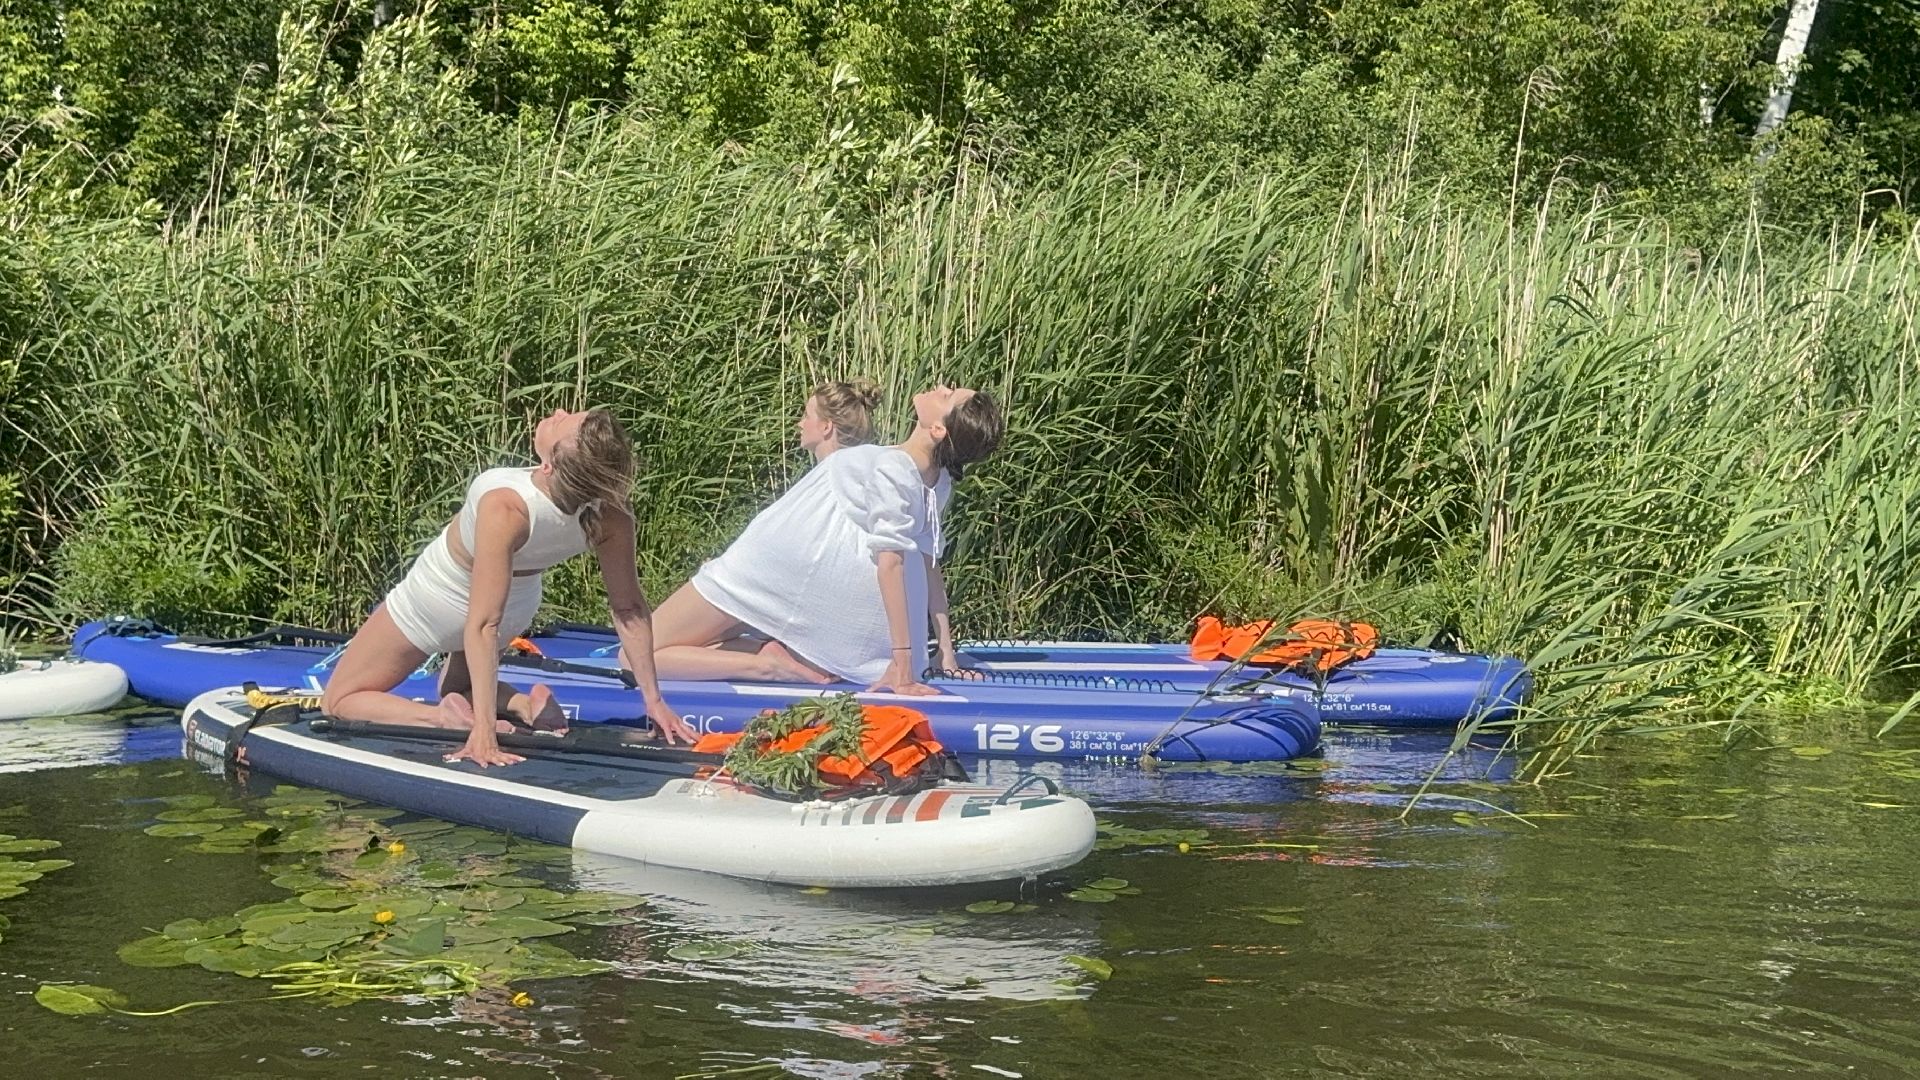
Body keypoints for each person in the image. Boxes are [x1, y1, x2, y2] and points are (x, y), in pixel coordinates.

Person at [321, 407, 693, 767]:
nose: (559, 412)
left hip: (440, 598)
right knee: (455, 692)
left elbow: (483, 624)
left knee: (339, 699)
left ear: (549, 465)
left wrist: (484, 733)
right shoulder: (610, 512)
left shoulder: (508, 507)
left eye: (562, 423)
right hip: (517, 604)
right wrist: (654, 700)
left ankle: (444, 720)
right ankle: (523, 706)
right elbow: (628, 608)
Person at [629, 385, 1003, 693]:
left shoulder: (894, 467)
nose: (941, 387)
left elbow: (893, 562)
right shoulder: (937, 479)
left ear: (938, 430)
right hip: (810, 582)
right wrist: (943, 653)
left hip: (771, 569)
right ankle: (775, 656)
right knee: (696, 642)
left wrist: (903, 666)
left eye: (947, 396)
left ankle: (767, 666)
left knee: (636, 654)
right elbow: (929, 562)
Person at [796, 377, 882, 460]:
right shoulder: (866, 468)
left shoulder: (828, 473)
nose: (800, 424)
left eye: (807, 416)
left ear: (826, 427)